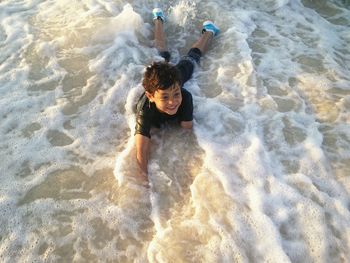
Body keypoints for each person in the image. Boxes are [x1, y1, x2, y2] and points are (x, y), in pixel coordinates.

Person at [135, 8, 220, 182]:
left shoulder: (184, 96)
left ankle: (209, 31)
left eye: (175, 94)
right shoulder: (144, 110)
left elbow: (186, 130)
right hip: (161, 83)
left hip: (175, 78)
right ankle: (158, 19)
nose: (173, 101)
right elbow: (141, 152)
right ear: (151, 96)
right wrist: (144, 184)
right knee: (161, 54)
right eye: (165, 97)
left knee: (192, 57)